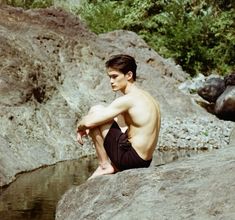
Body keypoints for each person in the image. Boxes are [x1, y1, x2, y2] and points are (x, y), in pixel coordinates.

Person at [76, 54, 161, 179]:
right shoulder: (147, 98)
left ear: (129, 75)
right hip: (145, 161)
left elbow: (89, 123)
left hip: (130, 160)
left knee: (95, 111)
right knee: (99, 116)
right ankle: (108, 165)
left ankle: (104, 165)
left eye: (115, 76)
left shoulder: (128, 100)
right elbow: (121, 122)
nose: (111, 81)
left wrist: (79, 127)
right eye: (109, 77)